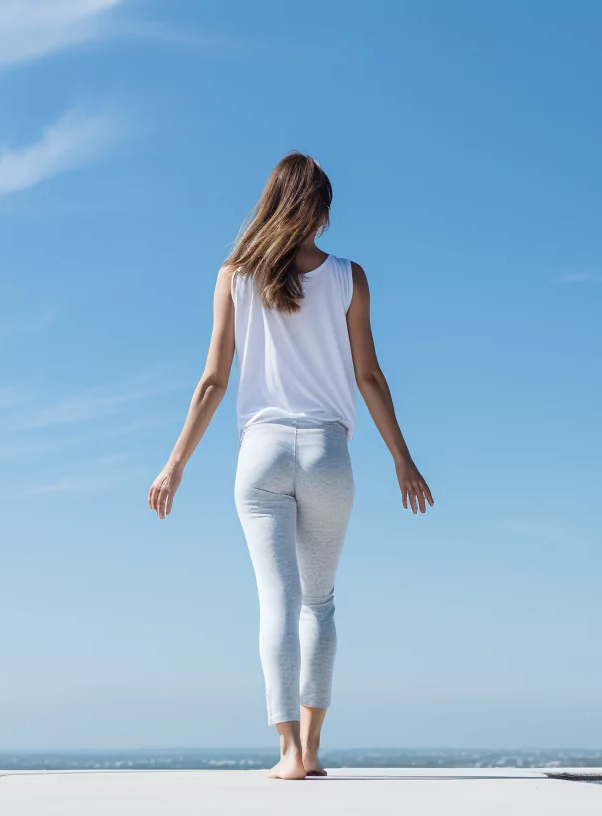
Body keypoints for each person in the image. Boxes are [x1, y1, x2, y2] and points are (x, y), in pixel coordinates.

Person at [147, 152, 433, 780]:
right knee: (320, 603)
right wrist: (403, 461)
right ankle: (311, 746)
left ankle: (285, 754)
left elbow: (213, 382)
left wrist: (175, 465)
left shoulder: (233, 276)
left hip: (261, 453)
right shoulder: (349, 278)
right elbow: (369, 377)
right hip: (329, 452)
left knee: (276, 602)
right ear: (321, 212)